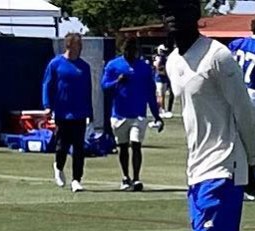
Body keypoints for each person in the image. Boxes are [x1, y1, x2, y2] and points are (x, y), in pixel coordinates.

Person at [163, 2, 255, 231]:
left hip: (224, 166)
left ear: (195, 15)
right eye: (167, 11)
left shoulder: (217, 56)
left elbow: (245, 112)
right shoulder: (173, 62)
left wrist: (252, 161)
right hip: (196, 169)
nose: (172, 17)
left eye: (179, 9)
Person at [102, 36, 164, 192]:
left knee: (136, 144)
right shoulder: (113, 65)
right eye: (128, 50)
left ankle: (136, 178)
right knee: (123, 147)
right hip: (119, 114)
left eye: (133, 50)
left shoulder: (143, 67)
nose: (131, 53)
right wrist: (117, 81)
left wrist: (156, 115)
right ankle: (125, 177)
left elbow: (150, 92)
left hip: (138, 114)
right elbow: (104, 86)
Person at [42, 32, 92, 193]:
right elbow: (47, 85)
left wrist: (90, 111)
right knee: (62, 146)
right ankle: (58, 166)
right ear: (69, 45)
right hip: (63, 112)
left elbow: (88, 90)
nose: (79, 49)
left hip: (80, 113)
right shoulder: (55, 64)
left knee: (79, 148)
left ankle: (77, 179)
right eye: (77, 45)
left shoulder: (84, 67)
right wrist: (47, 105)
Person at [153, 44, 174, 118]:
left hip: (163, 78)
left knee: (162, 95)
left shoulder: (164, 58)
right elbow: (158, 68)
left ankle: (162, 109)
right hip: (159, 79)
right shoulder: (158, 58)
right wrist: (165, 71)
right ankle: (161, 110)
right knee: (160, 95)